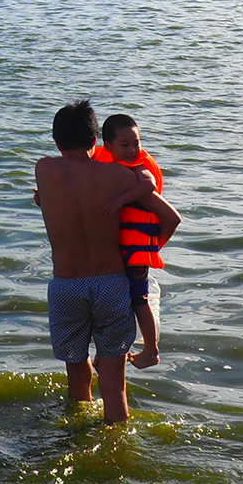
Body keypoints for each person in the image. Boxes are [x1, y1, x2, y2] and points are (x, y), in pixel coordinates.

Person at [35, 100, 180, 422]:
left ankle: (78, 434)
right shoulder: (118, 176)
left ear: (57, 142)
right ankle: (117, 447)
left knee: (76, 369)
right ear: (95, 141)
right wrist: (149, 250)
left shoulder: (44, 170)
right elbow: (170, 217)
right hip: (112, 283)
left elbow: (48, 195)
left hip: (67, 286)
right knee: (115, 385)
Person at [93, 114, 174, 368]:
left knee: (140, 300)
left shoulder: (139, 168)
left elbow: (149, 185)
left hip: (136, 252)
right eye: (125, 145)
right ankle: (110, 351)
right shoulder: (104, 163)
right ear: (108, 146)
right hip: (120, 251)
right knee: (117, 302)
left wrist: (120, 200)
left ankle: (151, 350)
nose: (133, 150)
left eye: (136, 144)